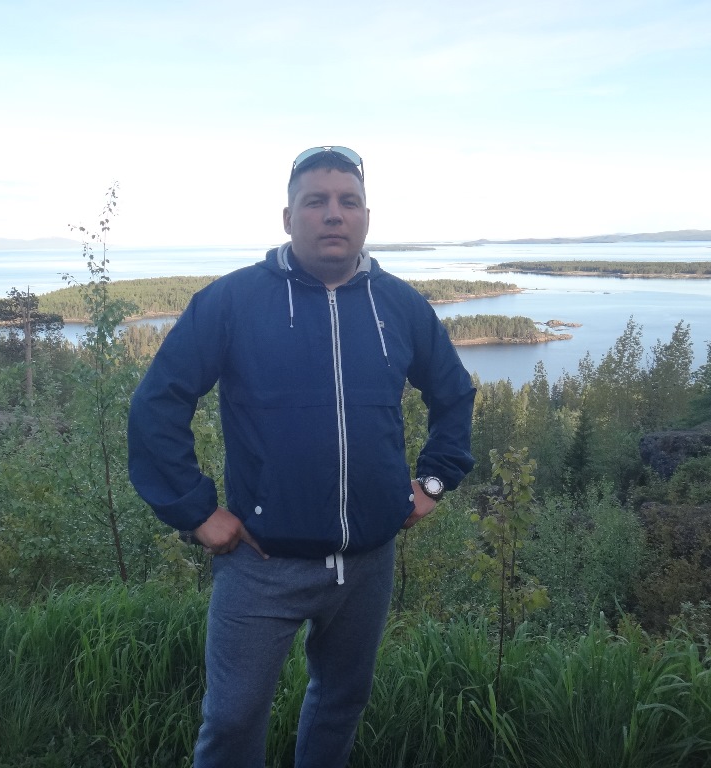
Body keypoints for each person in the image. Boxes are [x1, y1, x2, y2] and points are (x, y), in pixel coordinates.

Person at [128, 145, 476, 767]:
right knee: (233, 720)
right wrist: (195, 510)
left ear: (366, 217)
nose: (333, 214)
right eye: (316, 201)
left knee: (341, 702)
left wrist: (434, 482)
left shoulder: (400, 306)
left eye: (348, 202)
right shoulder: (232, 302)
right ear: (288, 218)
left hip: (368, 562)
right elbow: (158, 403)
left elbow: (453, 394)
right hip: (262, 563)